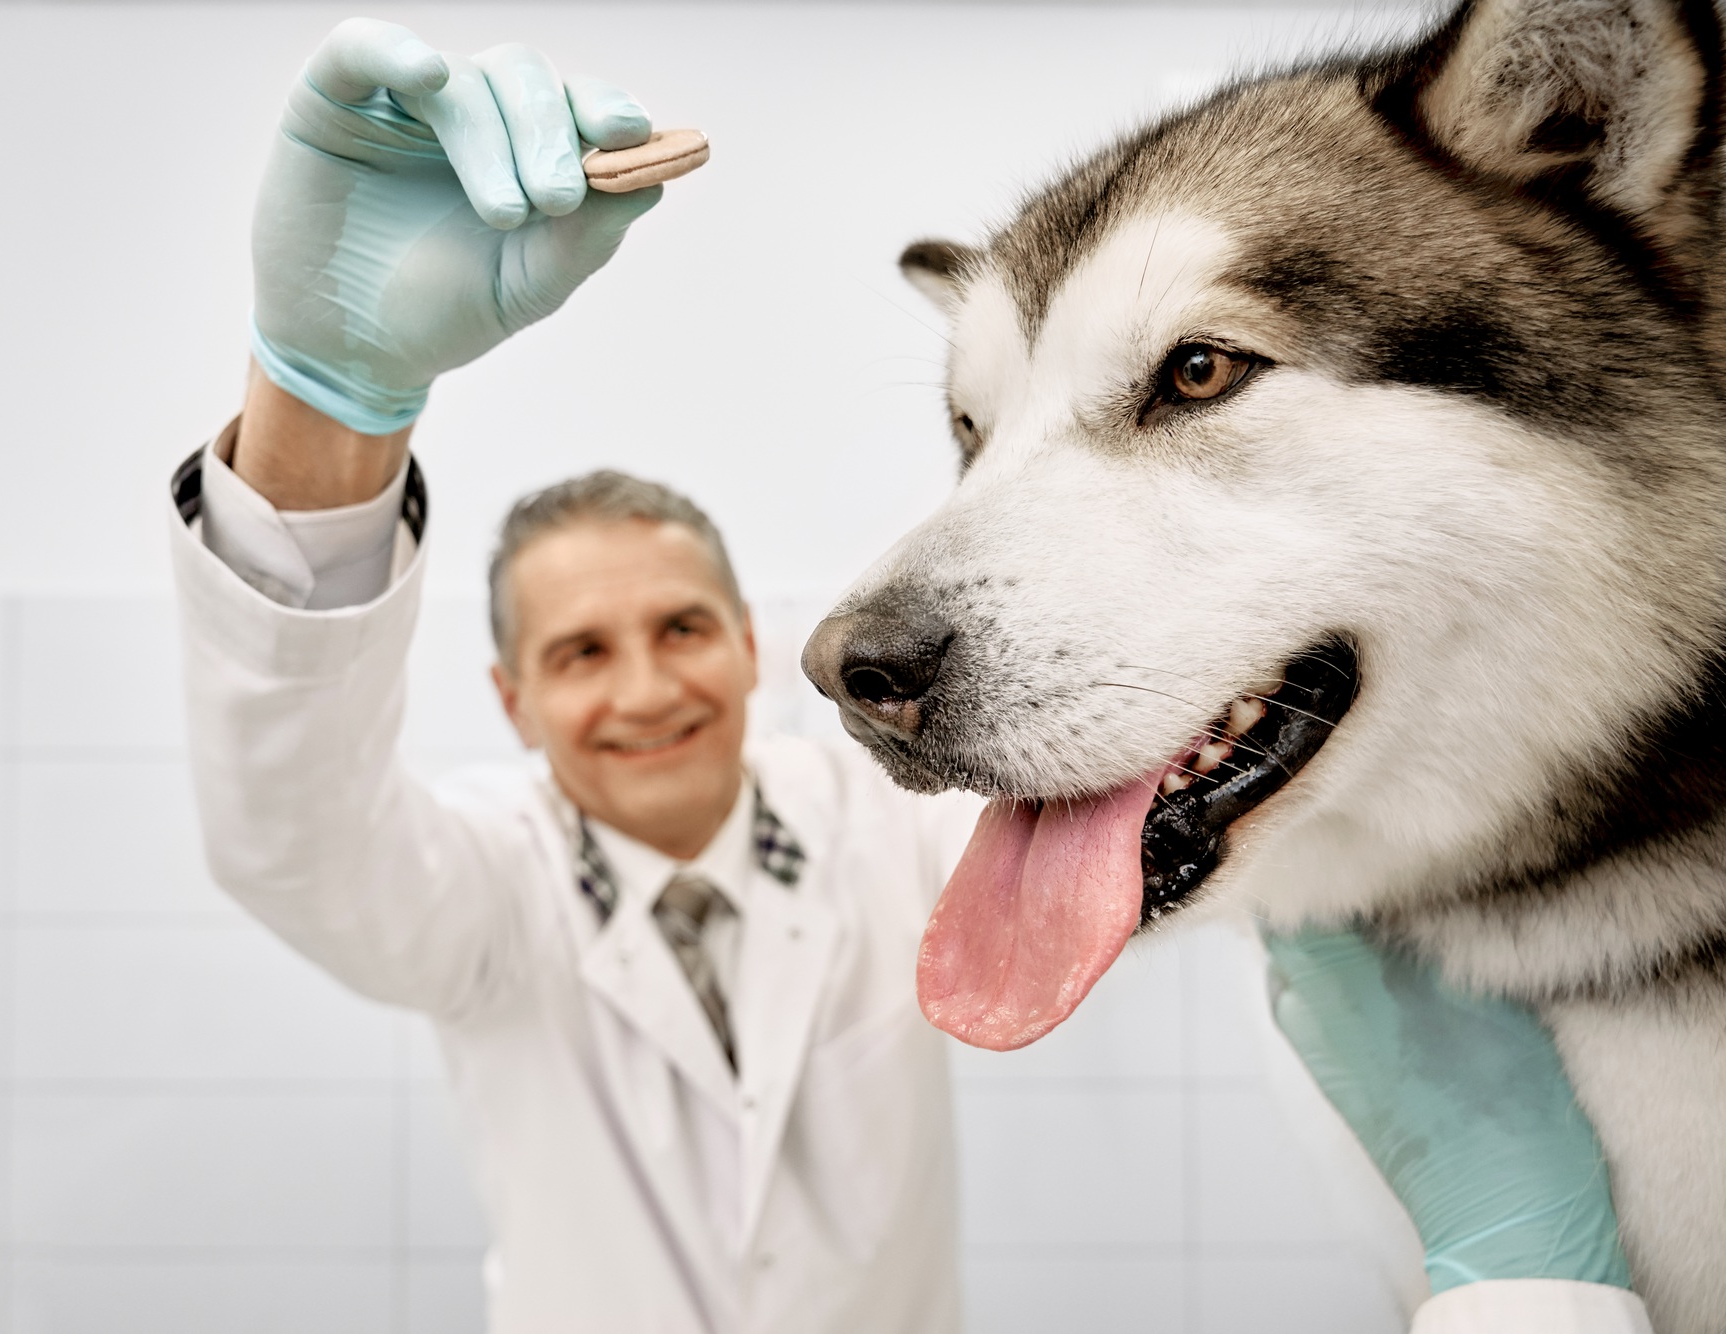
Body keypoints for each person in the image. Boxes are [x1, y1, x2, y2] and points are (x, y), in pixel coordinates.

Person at [164, 16, 1648, 1334]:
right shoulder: (486, 896)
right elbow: (289, 837)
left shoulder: (893, 838)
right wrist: (321, 402)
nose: (643, 686)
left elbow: (1147, 769)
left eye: (680, 627)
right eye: (580, 652)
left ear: (750, 648)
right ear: (512, 702)